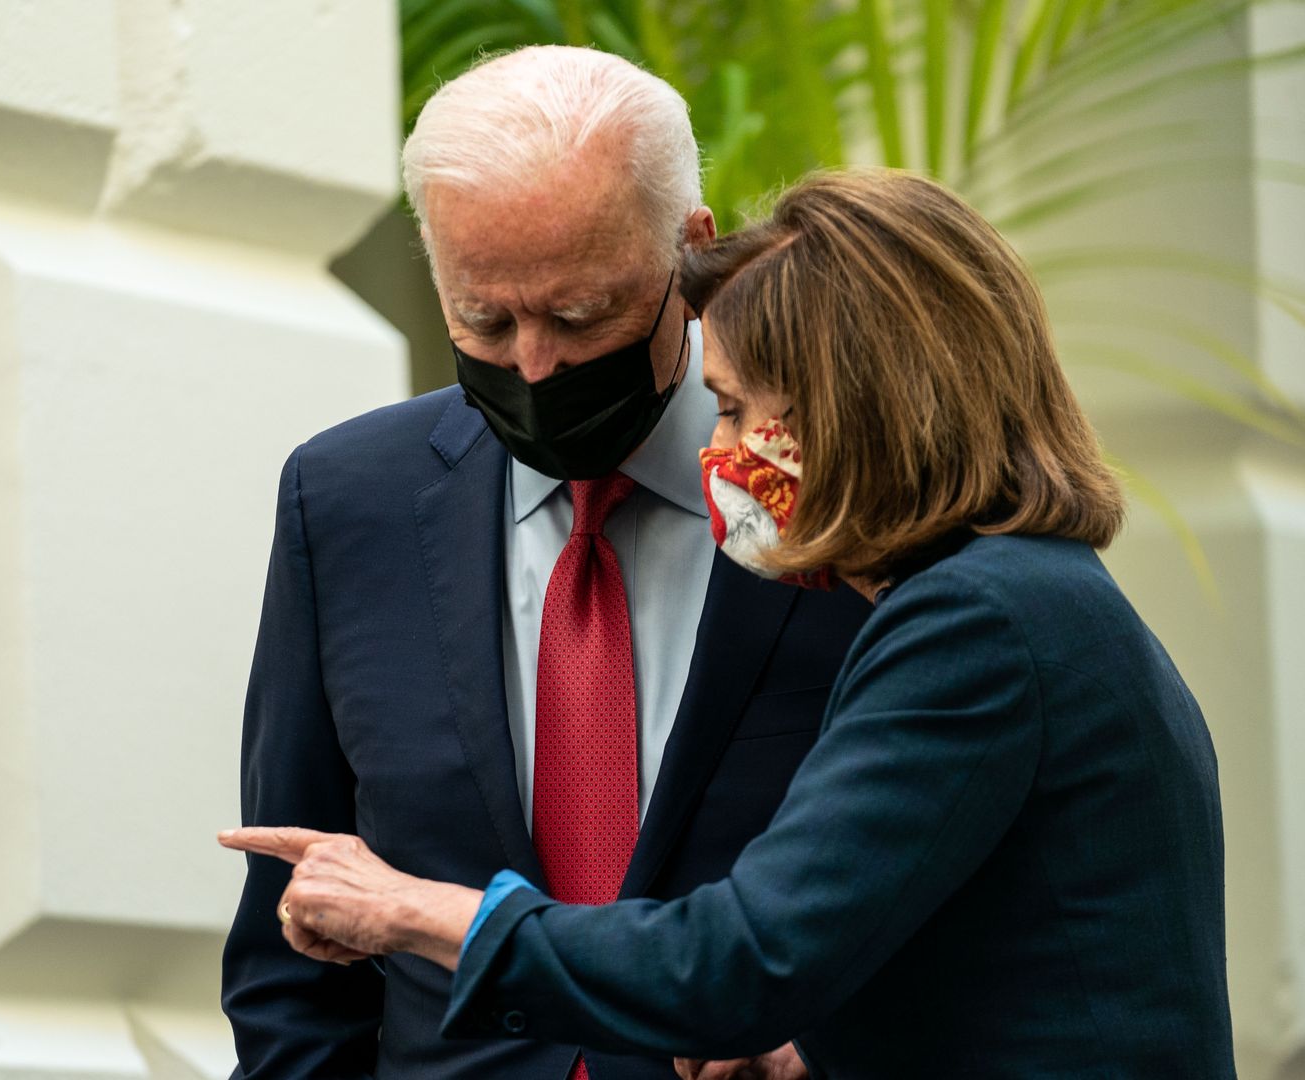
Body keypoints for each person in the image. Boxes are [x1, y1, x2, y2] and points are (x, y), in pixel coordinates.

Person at [220, 168, 1235, 1079]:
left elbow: (740, 963)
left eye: (742, 409)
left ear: (857, 413)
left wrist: (409, 907)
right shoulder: (1030, 598)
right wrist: (815, 1045)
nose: (723, 451)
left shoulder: (975, 624)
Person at [221, 46, 871, 1080]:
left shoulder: (846, 484)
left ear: (693, 253)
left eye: (581, 315)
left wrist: (836, 1046)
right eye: (484, 317)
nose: (534, 363)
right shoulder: (344, 500)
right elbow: (291, 957)